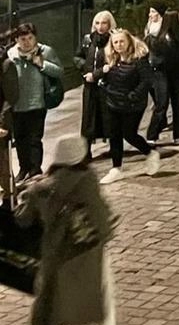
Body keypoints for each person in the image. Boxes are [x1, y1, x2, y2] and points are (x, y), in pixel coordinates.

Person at [14, 136, 116, 325]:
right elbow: (103, 219)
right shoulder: (88, 181)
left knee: (55, 303)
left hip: (56, 254)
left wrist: (23, 197)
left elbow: (22, 219)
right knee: (84, 301)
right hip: (87, 253)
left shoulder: (39, 189)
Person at [3, 22, 64, 181]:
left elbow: (59, 71)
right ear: (17, 40)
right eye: (23, 39)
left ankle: (35, 169)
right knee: (20, 139)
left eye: (30, 38)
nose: (27, 42)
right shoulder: (11, 54)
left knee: (35, 139)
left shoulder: (45, 51)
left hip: (38, 103)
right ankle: (23, 169)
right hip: (17, 104)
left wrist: (41, 64)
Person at [97, 28, 159, 185]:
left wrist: (134, 95)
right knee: (114, 134)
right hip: (113, 101)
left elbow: (147, 80)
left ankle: (150, 152)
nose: (118, 45)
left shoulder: (139, 59)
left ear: (129, 42)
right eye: (115, 42)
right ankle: (116, 168)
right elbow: (105, 75)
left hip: (133, 105)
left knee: (129, 134)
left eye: (121, 41)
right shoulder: (111, 59)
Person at [145, 4, 179, 144]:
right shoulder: (156, 33)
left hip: (177, 73)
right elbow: (150, 51)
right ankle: (152, 135)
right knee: (162, 103)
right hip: (161, 73)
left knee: (178, 104)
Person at [75, 11, 114, 153]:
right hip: (90, 85)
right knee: (88, 118)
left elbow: (112, 63)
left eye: (104, 23)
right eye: (97, 23)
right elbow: (78, 57)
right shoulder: (88, 40)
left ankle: (113, 146)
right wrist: (84, 69)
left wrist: (96, 74)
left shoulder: (114, 40)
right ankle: (85, 151)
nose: (100, 26)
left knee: (108, 116)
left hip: (107, 85)